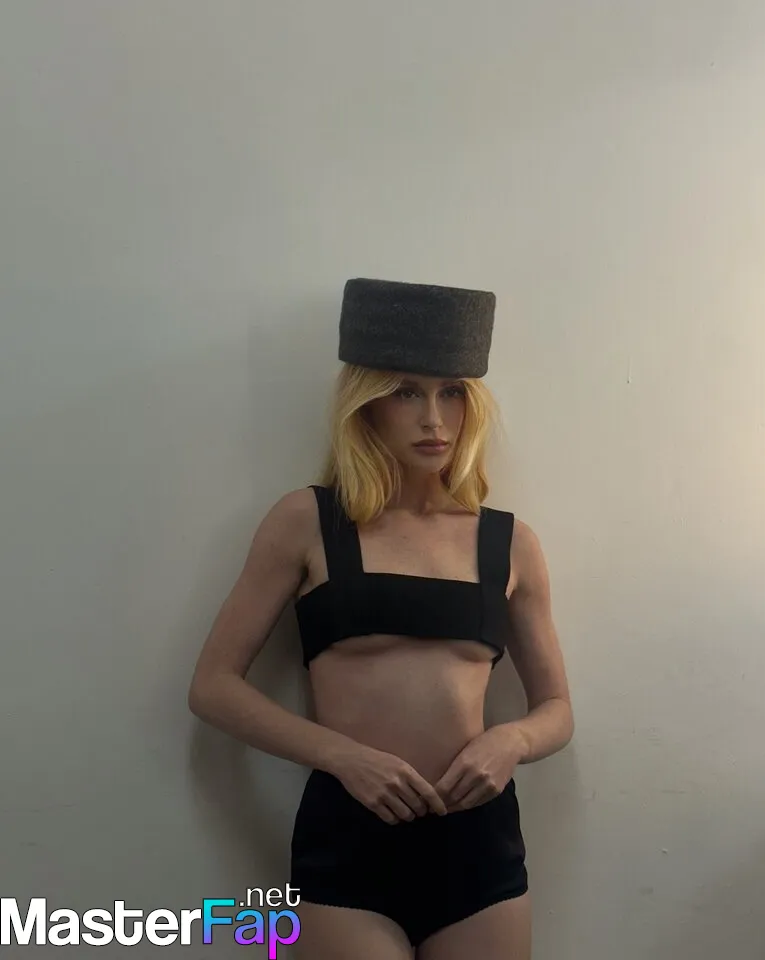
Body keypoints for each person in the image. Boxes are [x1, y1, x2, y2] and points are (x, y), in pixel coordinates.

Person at [188, 277, 574, 959]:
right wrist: (340, 755)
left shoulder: (509, 542)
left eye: (452, 393)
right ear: (365, 403)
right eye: (406, 393)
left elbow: (557, 710)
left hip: (477, 840)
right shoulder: (307, 522)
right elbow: (213, 687)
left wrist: (510, 740)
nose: (434, 419)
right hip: (349, 834)